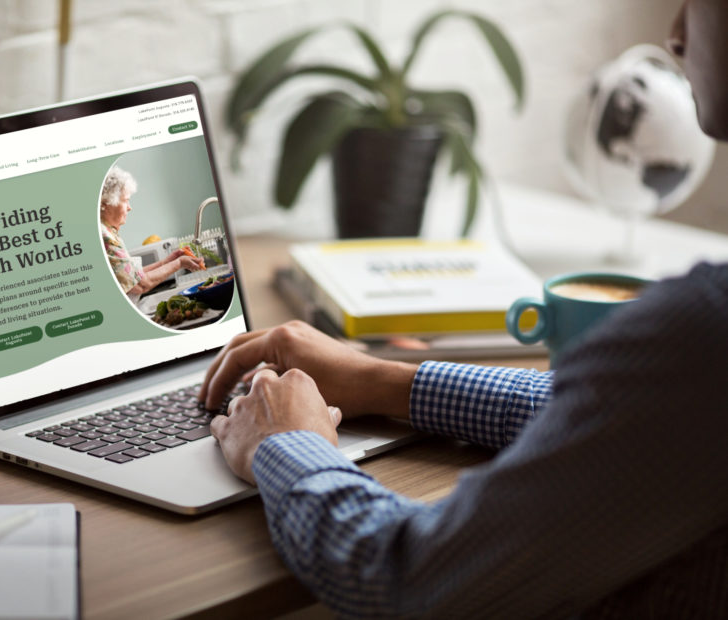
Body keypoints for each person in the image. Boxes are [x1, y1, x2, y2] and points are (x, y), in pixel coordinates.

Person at [200, 2, 728, 617]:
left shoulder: (703, 330)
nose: (676, 34)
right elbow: (634, 417)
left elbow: (408, 579)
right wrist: (386, 380)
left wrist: (284, 443)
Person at [100, 166, 204, 299]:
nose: (129, 207)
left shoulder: (109, 231)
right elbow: (140, 285)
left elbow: (133, 276)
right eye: (126, 200)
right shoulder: (106, 238)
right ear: (107, 203)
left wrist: (167, 261)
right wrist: (179, 263)